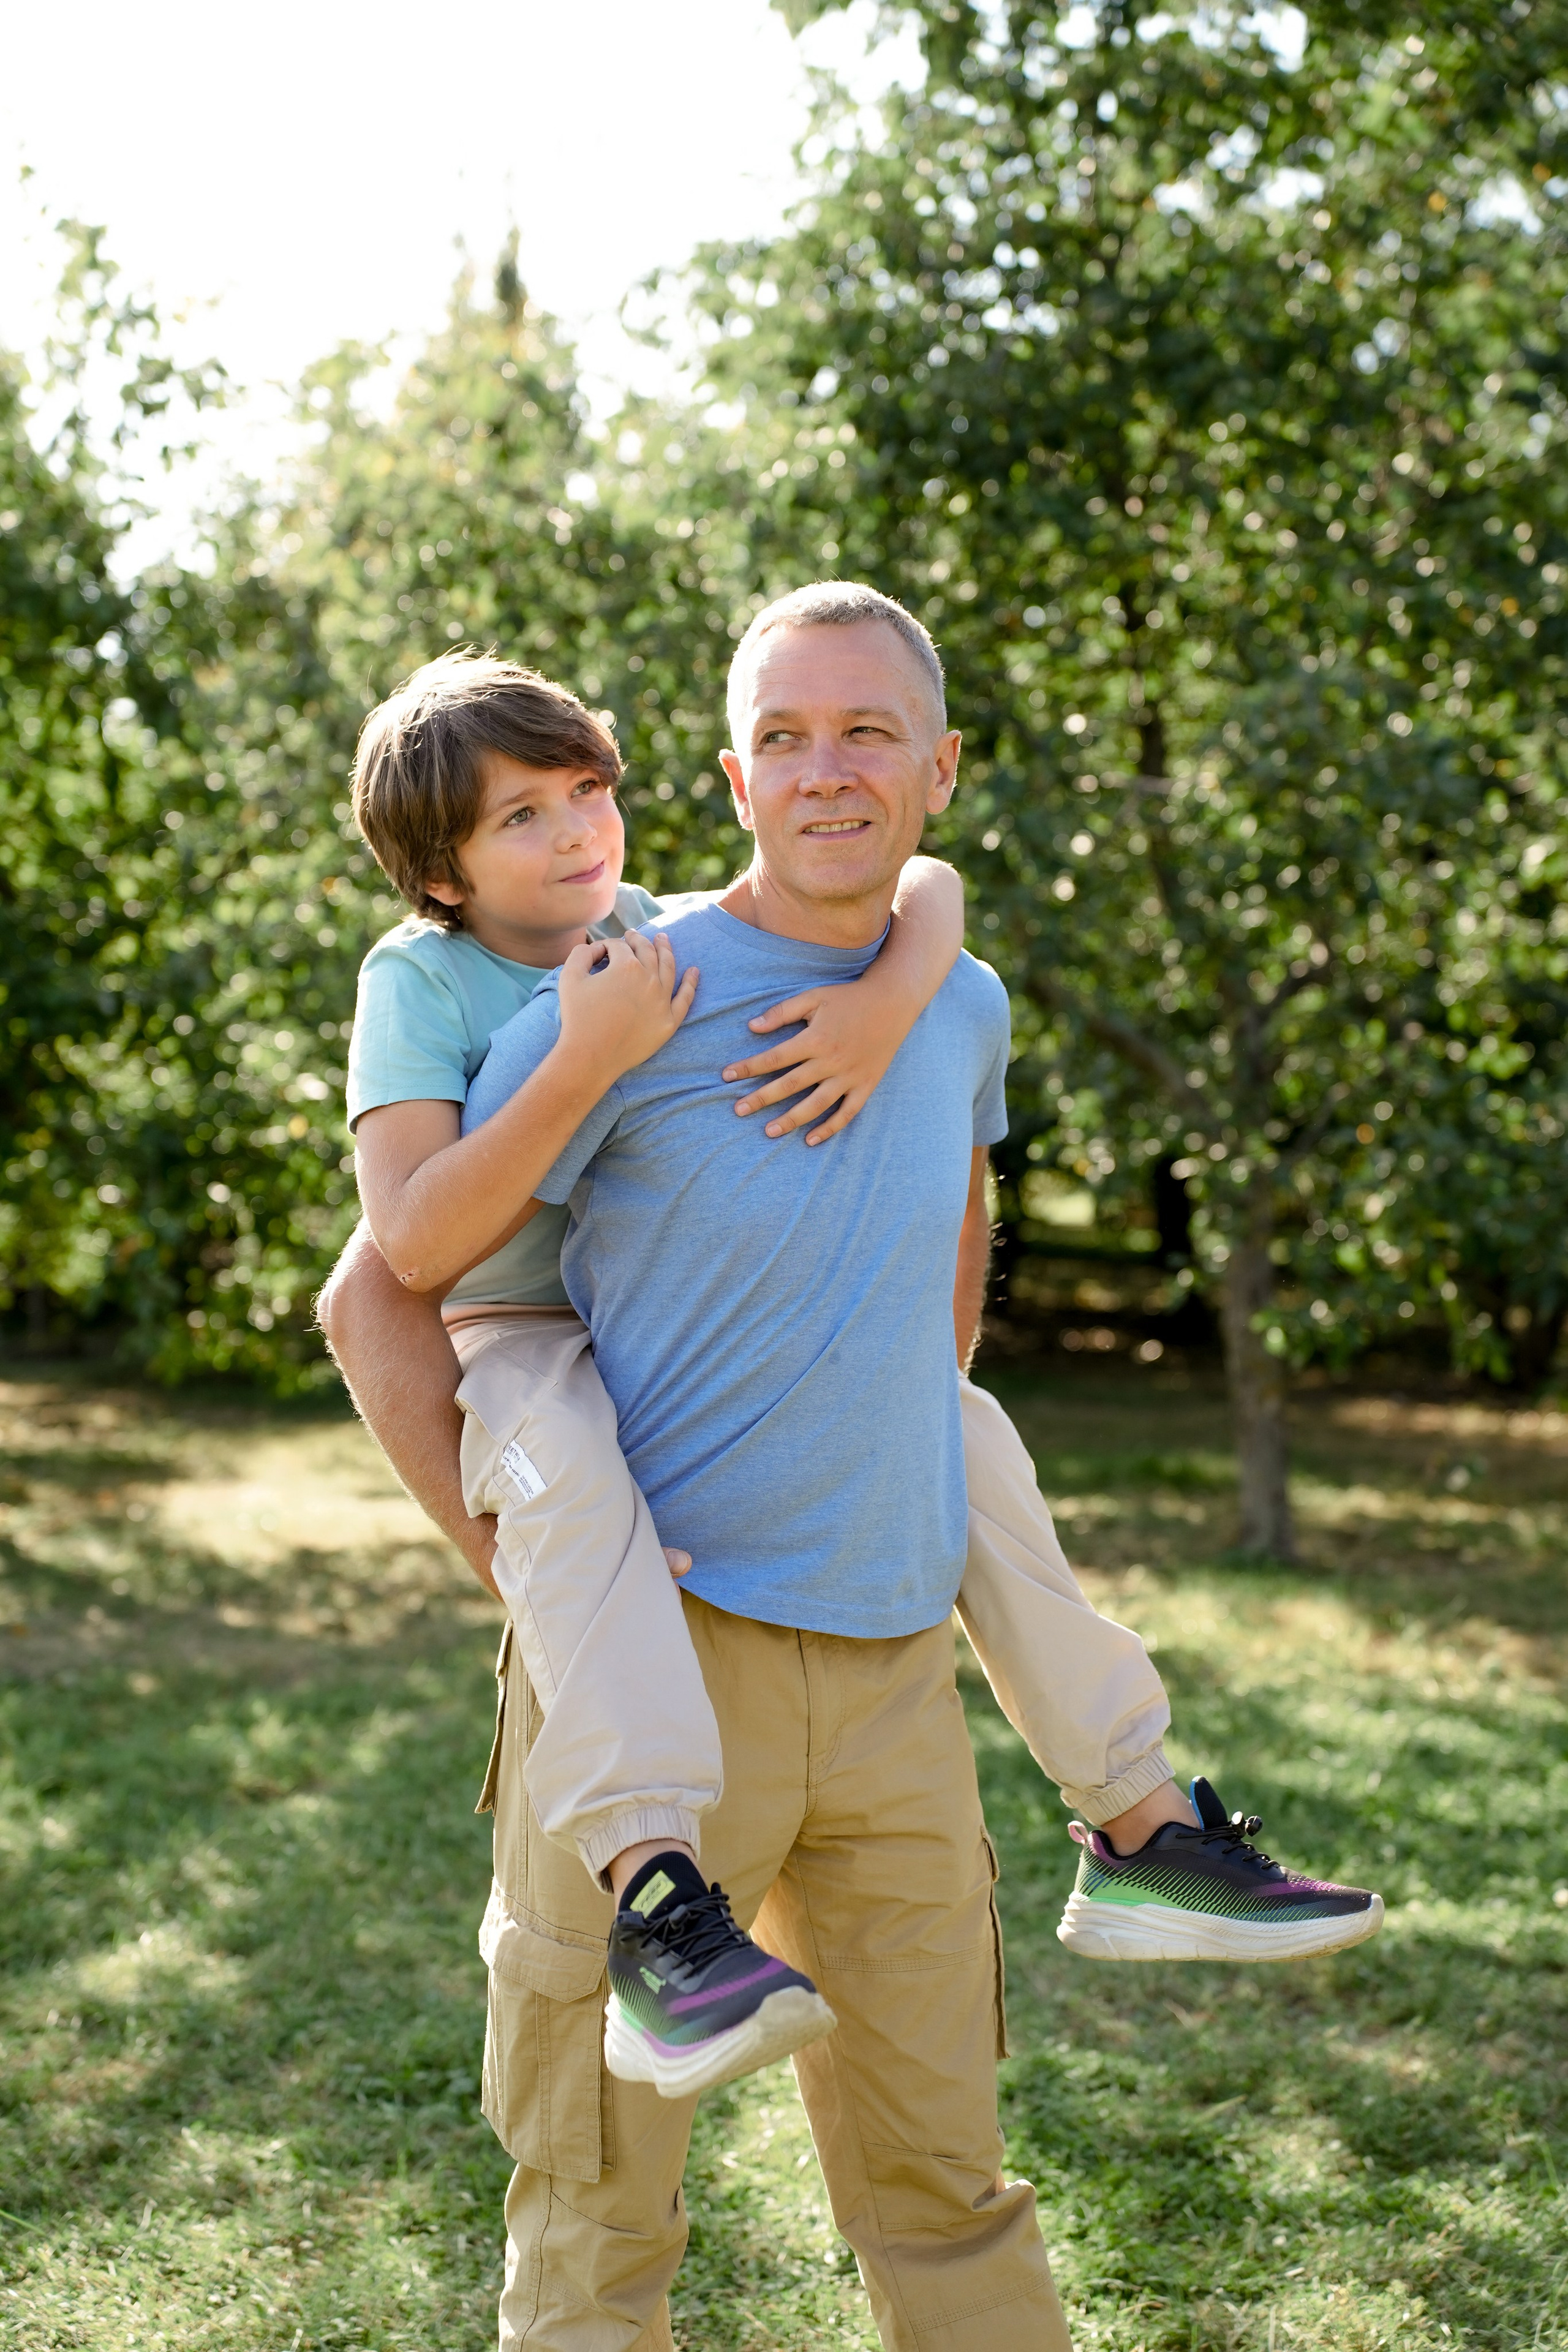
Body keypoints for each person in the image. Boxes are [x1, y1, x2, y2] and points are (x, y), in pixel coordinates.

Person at [320, 592, 1379, 2352]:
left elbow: (948, 1276)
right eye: (789, 740)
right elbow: (389, 1279)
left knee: (947, 2192)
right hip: (667, 1659)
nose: (831, 773)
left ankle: (1142, 1817)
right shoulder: (618, 995)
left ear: (937, 766)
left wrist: (896, 993)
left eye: (871, 732)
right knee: (600, 2217)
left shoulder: (954, 1000)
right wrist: (508, 1567)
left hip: (892, 1676)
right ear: (739, 777)